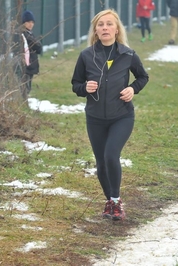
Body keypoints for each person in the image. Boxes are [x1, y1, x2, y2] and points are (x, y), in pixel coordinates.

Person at [71, 9, 149, 221]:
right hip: (95, 118)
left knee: (111, 155)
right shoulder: (86, 56)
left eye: (109, 24)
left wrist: (133, 88)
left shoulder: (128, 54)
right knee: (101, 163)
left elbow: (143, 77)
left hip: (121, 116)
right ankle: (111, 202)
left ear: (116, 30)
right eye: (100, 25)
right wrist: (85, 87)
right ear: (96, 31)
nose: (105, 28)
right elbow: (75, 85)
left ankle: (115, 201)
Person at [20, 10, 42, 100]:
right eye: (28, 22)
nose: (31, 24)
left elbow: (39, 48)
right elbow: (38, 46)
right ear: (24, 22)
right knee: (24, 87)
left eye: (32, 22)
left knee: (28, 86)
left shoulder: (30, 34)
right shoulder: (23, 34)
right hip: (26, 64)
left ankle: (24, 102)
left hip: (31, 64)